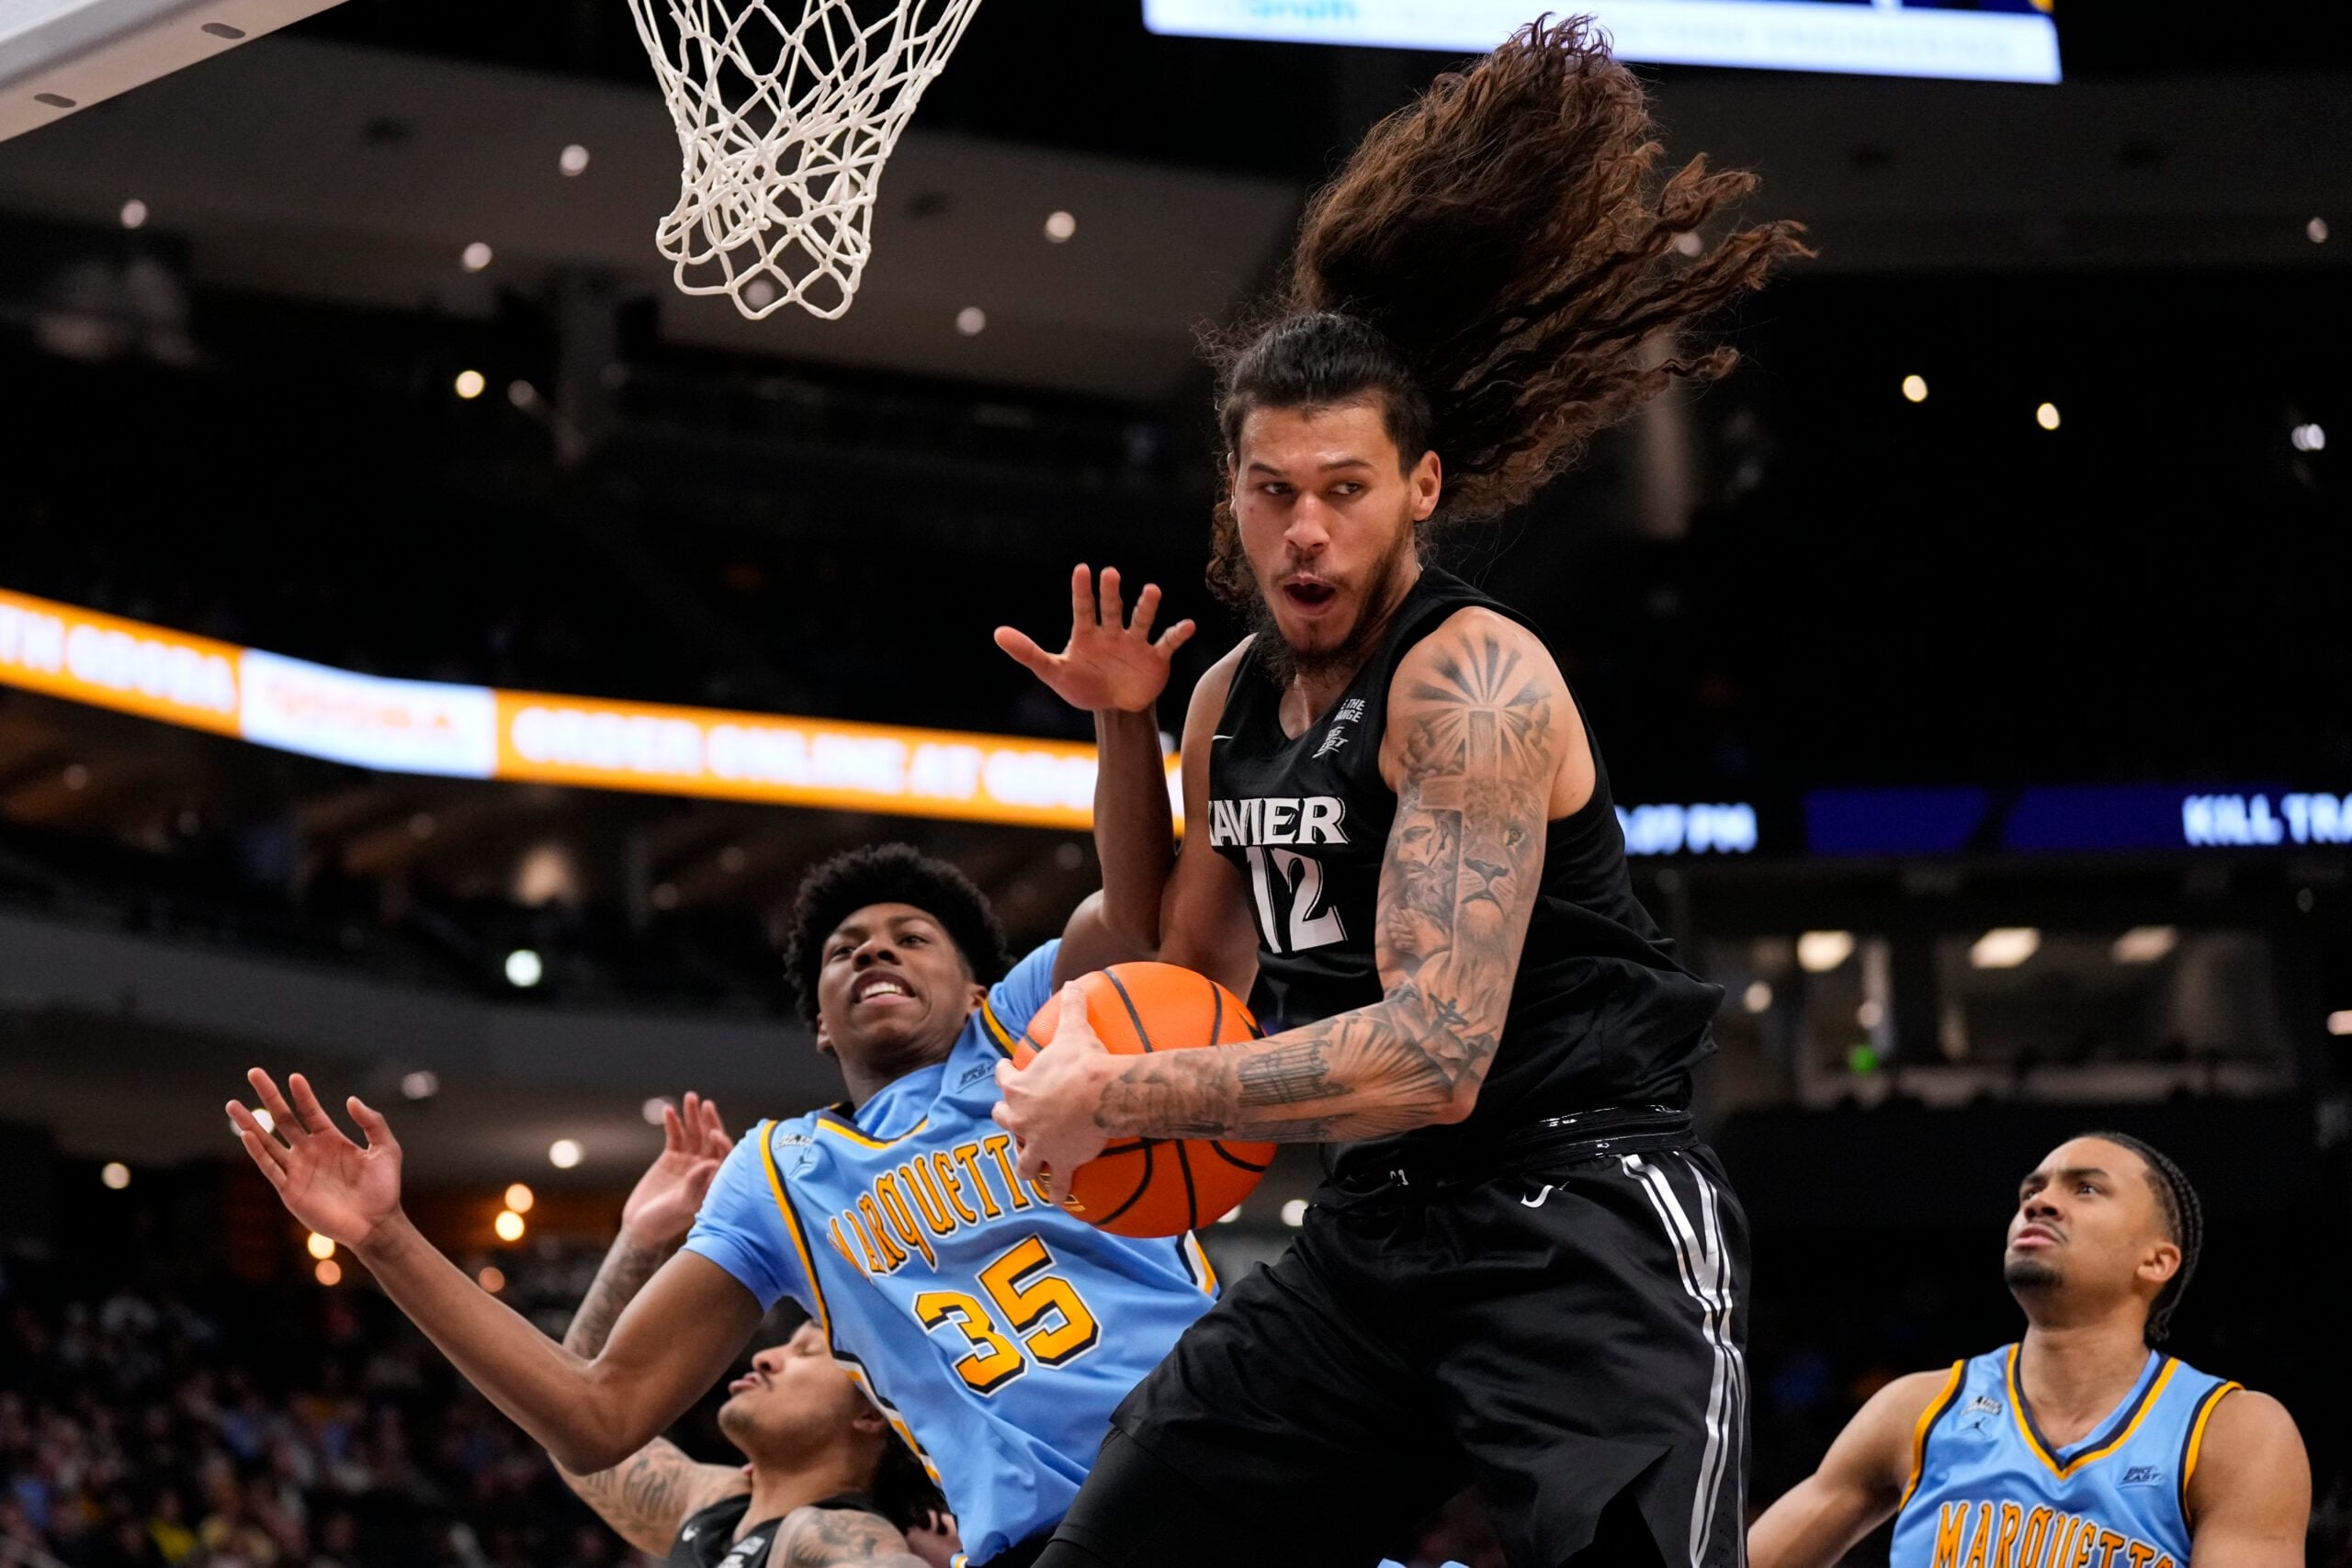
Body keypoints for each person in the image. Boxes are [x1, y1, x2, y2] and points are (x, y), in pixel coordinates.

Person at [991, 19, 1806, 1568]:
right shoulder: (1226, 698)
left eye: (1344, 493)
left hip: (1577, 1209)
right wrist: (1124, 730)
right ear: (1232, 490)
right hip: (1375, 1231)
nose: (1306, 533)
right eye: (1273, 492)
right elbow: (1181, 969)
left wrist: (1124, 1094)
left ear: (1420, 489)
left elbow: (1435, 1051)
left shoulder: (1474, 678)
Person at [226, 846, 1222, 1568]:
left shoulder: (1024, 1031)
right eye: (843, 951)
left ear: (977, 989)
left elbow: (1137, 918)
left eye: (910, 938)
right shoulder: (779, 1172)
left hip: (1228, 1444)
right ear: (819, 1031)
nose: (873, 953)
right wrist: (387, 1239)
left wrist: (1120, 716)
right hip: (1058, 1531)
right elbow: (595, 1416)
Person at [1748, 1133, 2310, 1568]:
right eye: (2031, 1191)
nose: (2041, 1203)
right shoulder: (1916, 1410)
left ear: (2156, 1261)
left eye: (2085, 1188)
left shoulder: (2233, 1431)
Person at [548, 1091, 955, 1568]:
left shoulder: (836, 1533)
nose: (764, 1357)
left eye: (804, 1352)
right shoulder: (712, 1508)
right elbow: (579, 1421)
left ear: (870, 1413)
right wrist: (640, 1237)